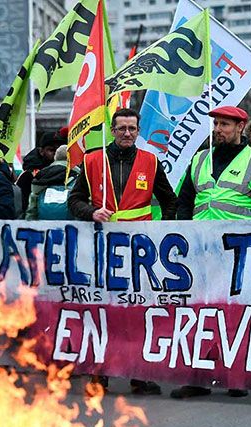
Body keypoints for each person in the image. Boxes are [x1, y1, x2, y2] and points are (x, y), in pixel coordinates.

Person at [67, 108, 176, 396]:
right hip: (102, 248)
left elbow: (170, 201)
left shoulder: (151, 161)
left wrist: (163, 234)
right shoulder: (92, 161)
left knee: (138, 313)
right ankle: (99, 374)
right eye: (122, 128)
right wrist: (91, 212)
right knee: (102, 311)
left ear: (138, 131)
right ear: (113, 131)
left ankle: (139, 375)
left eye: (132, 128)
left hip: (140, 252)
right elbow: (74, 201)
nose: (127, 133)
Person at [172, 106, 251, 399]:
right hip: (201, 251)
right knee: (199, 314)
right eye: (216, 124)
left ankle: (236, 377)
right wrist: (184, 231)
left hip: (237, 253)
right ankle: (198, 378)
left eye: (225, 124)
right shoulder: (200, 159)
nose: (218, 129)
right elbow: (185, 201)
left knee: (235, 315)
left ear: (240, 127)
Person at [17, 129, 68, 216]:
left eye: (59, 150)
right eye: (52, 150)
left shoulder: (72, 171)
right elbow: (22, 205)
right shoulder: (29, 175)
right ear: (41, 151)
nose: (56, 154)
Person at [26, 145, 79, 220]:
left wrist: (30, 221)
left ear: (55, 158)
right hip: (72, 224)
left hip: (44, 223)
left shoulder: (42, 175)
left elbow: (32, 205)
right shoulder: (78, 175)